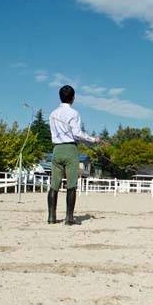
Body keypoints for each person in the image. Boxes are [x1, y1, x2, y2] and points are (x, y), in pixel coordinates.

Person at [47, 85, 100, 225]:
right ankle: (69, 218)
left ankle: (51, 217)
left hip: (57, 149)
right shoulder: (74, 113)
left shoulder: (52, 114)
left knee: (54, 185)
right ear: (73, 98)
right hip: (70, 149)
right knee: (71, 185)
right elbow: (77, 134)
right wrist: (93, 140)